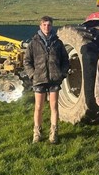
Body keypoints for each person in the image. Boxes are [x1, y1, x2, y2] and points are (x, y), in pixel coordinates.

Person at [24, 16, 69, 144]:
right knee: (38, 107)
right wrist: (33, 74)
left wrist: (62, 74)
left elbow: (65, 60)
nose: (47, 27)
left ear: (52, 26)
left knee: (54, 106)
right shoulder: (33, 43)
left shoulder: (58, 43)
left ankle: (53, 132)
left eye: (49, 25)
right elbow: (27, 61)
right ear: (40, 26)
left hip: (54, 79)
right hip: (39, 79)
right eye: (44, 25)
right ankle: (37, 133)